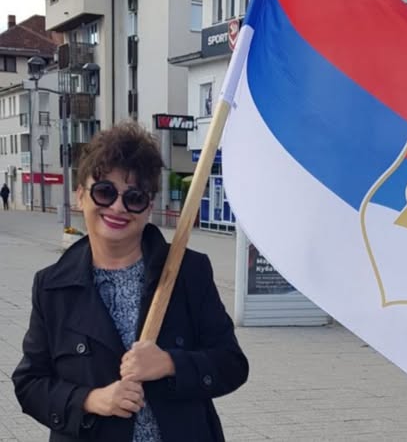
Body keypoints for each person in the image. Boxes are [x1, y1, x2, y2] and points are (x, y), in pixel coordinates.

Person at [12, 121, 248, 442]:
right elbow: (30, 384)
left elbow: (231, 364)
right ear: (80, 196)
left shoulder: (187, 272)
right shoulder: (52, 287)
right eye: (104, 191)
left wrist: (170, 363)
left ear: (148, 207)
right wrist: (91, 400)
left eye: (134, 197)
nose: (118, 207)